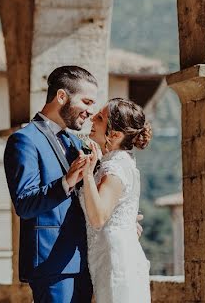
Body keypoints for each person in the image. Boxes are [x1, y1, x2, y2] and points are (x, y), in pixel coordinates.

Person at [3, 66, 97, 303]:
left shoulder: (76, 142)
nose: (90, 111)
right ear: (61, 96)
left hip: (85, 260)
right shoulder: (24, 140)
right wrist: (66, 181)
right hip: (51, 263)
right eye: (86, 101)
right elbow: (24, 203)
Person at [69, 97, 152, 303]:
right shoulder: (116, 162)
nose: (91, 119)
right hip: (107, 257)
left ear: (114, 134)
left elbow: (98, 218)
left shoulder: (113, 168)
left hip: (116, 262)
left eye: (99, 118)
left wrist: (88, 174)